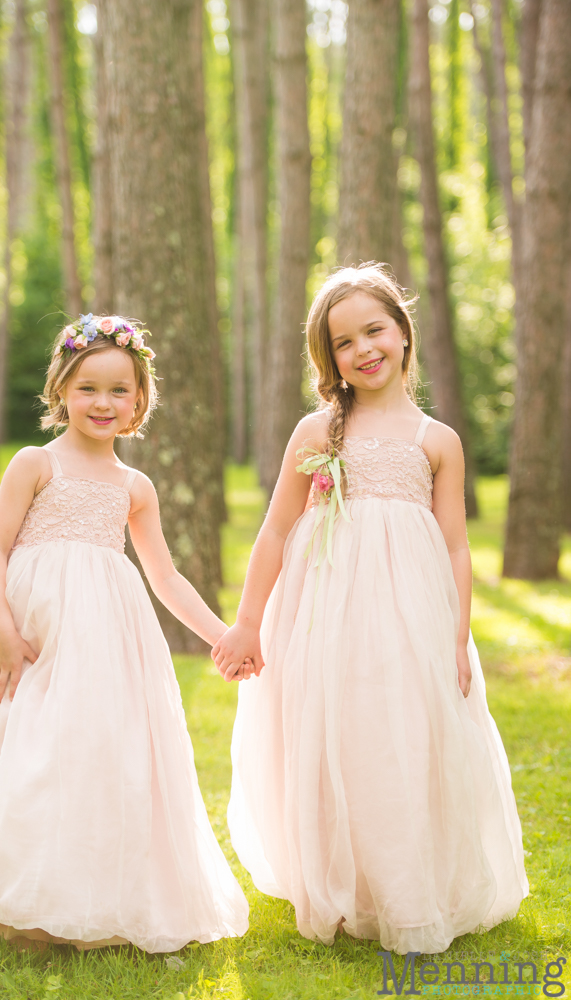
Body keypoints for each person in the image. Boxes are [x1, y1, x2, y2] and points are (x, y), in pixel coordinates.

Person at [0, 314, 249, 953]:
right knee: (27, 750)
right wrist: (4, 630)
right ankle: (24, 902)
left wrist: (224, 635)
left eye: (120, 390)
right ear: (61, 389)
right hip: (32, 626)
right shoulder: (35, 464)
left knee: (96, 753)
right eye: (88, 387)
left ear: (139, 400)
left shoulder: (133, 487)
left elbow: (166, 577)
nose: (103, 402)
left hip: (105, 638)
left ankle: (96, 896)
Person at [212, 265, 528, 955]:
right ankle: (340, 882)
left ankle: (407, 884)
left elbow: (452, 545)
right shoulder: (317, 431)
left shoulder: (436, 440)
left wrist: (454, 636)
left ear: (403, 333)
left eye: (373, 330)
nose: (363, 348)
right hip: (326, 609)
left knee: (401, 734)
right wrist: (246, 620)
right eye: (343, 341)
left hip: (409, 614)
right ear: (330, 360)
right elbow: (273, 531)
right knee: (335, 730)